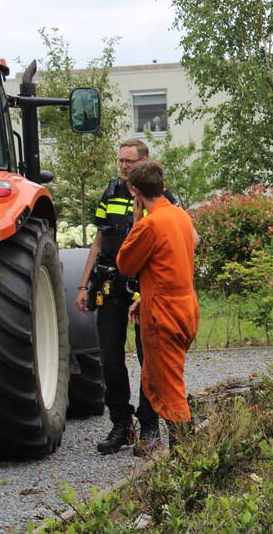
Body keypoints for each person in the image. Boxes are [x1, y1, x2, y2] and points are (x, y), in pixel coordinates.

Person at [76, 138, 178, 456]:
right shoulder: (111, 194)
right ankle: (121, 424)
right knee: (110, 358)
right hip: (110, 284)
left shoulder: (161, 199)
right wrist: (83, 285)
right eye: (120, 160)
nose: (122, 166)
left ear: (143, 163)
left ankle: (149, 425)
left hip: (144, 288)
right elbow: (98, 241)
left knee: (149, 358)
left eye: (128, 162)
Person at [117, 161, 200, 450]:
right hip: (185, 307)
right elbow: (172, 263)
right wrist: (145, 296)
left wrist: (136, 222)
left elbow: (125, 264)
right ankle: (187, 456)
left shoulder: (150, 224)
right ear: (162, 186)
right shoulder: (180, 216)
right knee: (166, 379)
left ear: (135, 191)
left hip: (164, 315)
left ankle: (186, 458)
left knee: (168, 387)